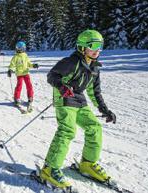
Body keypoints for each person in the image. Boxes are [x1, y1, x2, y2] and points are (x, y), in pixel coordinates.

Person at [40, 30, 116, 189]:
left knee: (94, 127)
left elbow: (95, 92)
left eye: (100, 46)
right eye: (93, 46)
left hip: (79, 98)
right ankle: (50, 169)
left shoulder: (95, 68)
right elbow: (52, 75)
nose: (97, 50)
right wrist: (61, 87)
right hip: (65, 96)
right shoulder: (71, 62)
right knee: (67, 130)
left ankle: (87, 163)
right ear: (82, 47)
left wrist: (105, 110)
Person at [7, 41, 39, 111]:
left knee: (29, 86)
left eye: (21, 48)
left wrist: (33, 65)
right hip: (19, 74)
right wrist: (10, 70)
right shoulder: (15, 57)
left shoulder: (25, 55)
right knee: (19, 86)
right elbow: (12, 65)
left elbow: (28, 63)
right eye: (19, 48)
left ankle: (30, 97)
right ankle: (16, 98)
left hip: (26, 73)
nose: (21, 49)